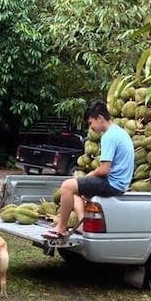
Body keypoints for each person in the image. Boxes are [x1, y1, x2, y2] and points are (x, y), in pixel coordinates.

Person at [45, 100, 134, 239]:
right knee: (76, 190)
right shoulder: (120, 132)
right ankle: (82, 225)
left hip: (113, 184)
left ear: (100, 118)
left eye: (91, 122)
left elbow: (104, 170)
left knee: (67, 186)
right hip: (120, 183)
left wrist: (89, 176)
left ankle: (60, 228)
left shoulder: (109, 136)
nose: (91, 127)